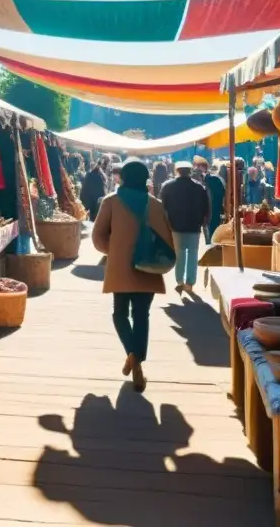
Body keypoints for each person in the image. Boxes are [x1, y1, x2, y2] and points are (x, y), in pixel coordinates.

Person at [91, 158, 175, 392]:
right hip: (148, 267)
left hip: (121, 268)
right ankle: (136, 359)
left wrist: (116, 250)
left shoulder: (111, 202)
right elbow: (167, 238)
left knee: (119, 313)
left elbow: (98, 237)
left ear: (123, 177)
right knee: (141, 315)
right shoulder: (155, 205)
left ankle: (133, 357)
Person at [160, 161, 211, 294]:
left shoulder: (167, 186)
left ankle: (179, 281)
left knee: (179, 253)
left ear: (177, 171)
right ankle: (189, 283)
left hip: (175, 225)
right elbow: (207, 206)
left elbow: (162, 207)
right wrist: (205, 221)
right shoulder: (200, 187)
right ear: (190, 171)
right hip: (194, 225)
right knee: (193, 253)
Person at [202, 163, 225, 241]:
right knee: (214, 226)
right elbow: (223, 192)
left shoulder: (208, 181)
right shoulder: (217, 179)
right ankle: (213, 242)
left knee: (209, 227)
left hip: (209, 208)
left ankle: (210, 242)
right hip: (216, 207)